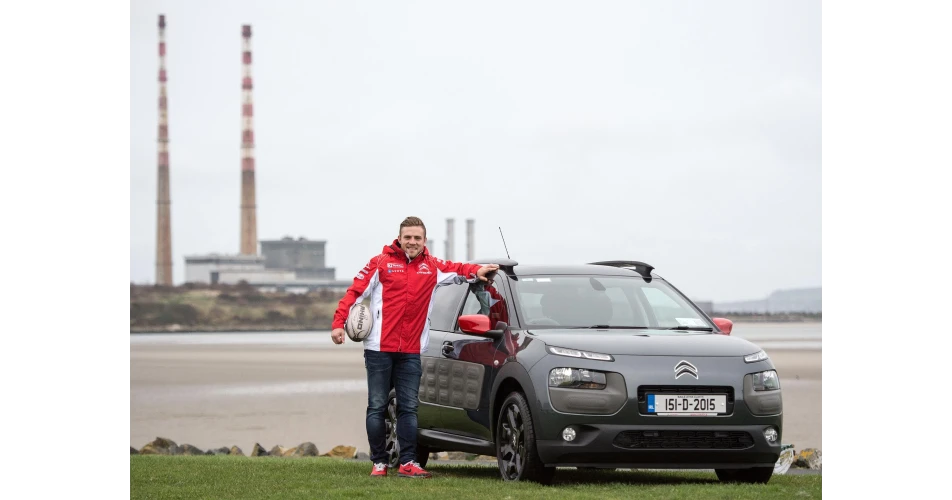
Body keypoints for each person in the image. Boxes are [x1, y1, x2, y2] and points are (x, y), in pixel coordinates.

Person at [330, 216, 499, 478]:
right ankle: (379, 463)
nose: (412, 242)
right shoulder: (380, 263)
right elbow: (354, 292)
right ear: (399, 238)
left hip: (411, 351)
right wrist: (338, 323)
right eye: (407, 237)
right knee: (376, 406)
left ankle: (409, 462)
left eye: (417, 238)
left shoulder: (432, 267)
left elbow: (458, 268)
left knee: (409, 407)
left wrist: (477, 271)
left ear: (424, 240)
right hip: (378, 349)